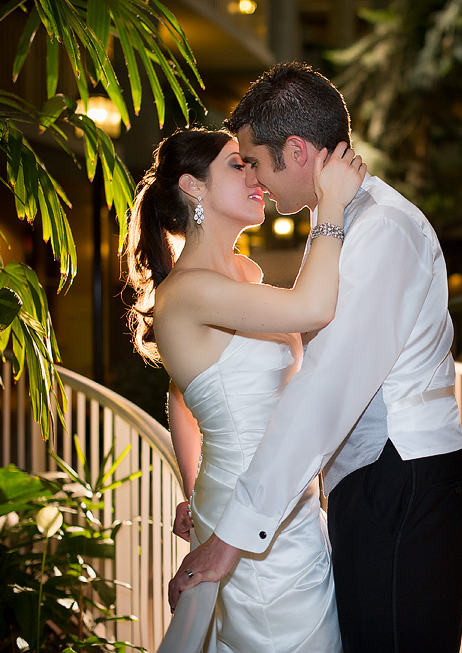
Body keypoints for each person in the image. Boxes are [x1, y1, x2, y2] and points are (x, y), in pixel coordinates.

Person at [168, 62, 462, 652]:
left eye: (255, 161)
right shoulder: (340, 222)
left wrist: (232, 536)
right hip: (376, 482)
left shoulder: (380, 227)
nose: (257, 178)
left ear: (297, 150)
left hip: (403, 479)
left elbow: (329, 386)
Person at [123, 126, 366, 651]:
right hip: (246, 508)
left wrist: (192, 491)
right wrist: (331, 208)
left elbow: (181, 396)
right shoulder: (186, 293)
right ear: (193, 187)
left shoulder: (243, 271)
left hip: (289, 505)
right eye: (238, 165)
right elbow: (312, 307)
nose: (256, 175)